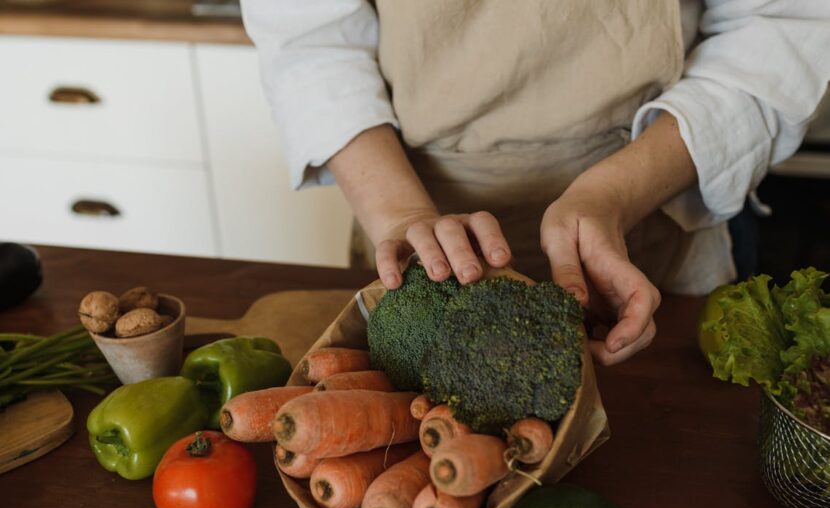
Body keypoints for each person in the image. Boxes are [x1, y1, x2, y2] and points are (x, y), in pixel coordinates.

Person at [241, 0, 830, 365]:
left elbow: (779, 27)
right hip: (401, 196)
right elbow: (310, 38)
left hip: (656, 194)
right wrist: (398, 217)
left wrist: (614, 194)